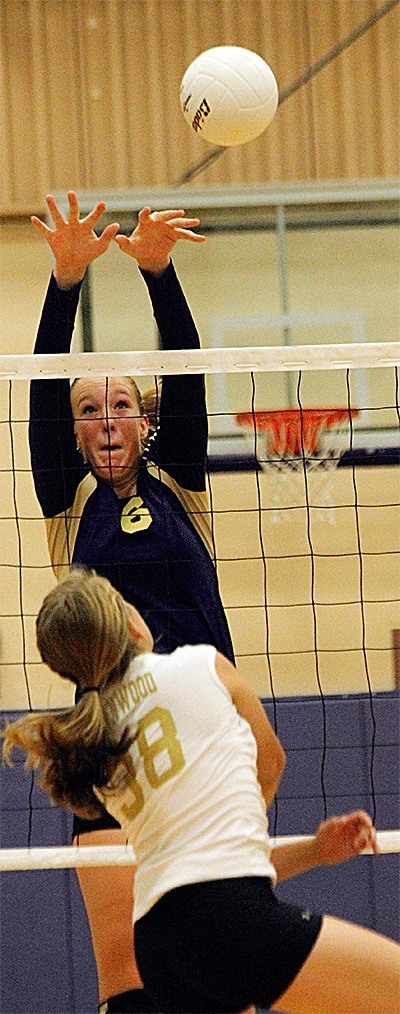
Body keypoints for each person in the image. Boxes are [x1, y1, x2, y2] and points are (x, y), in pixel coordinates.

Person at [3, 568, 399, 1014]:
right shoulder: (202, 665)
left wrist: (315, 850)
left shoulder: (95, 742)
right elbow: (271, 763)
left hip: (159, 946)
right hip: (231, 924)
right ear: (132, 625)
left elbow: (197, 867)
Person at [29, 192, 235, 1013]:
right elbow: (39, 394)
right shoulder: (67, 504)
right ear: (74, 433)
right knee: (128, 980)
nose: (106, 419)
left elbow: (183, 373)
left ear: (146, 424)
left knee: (216, 966)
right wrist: (64, 283)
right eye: (88, 410)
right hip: (105, 740)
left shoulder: (183, 482)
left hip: (203, 729)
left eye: (121, 404)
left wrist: (158, 271)